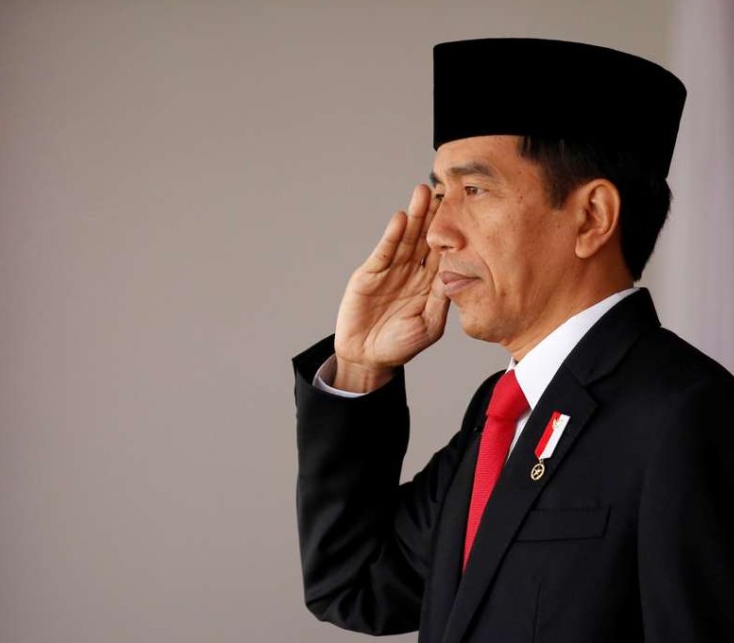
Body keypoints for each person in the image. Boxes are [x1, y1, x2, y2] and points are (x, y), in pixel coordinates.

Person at [292, 38, 734, 643]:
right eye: (439, 193)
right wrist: (359, 367)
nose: (439, 231)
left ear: (591, 218)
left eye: (473, 191)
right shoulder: (503, 408)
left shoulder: (688, 414)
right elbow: (357, 583)